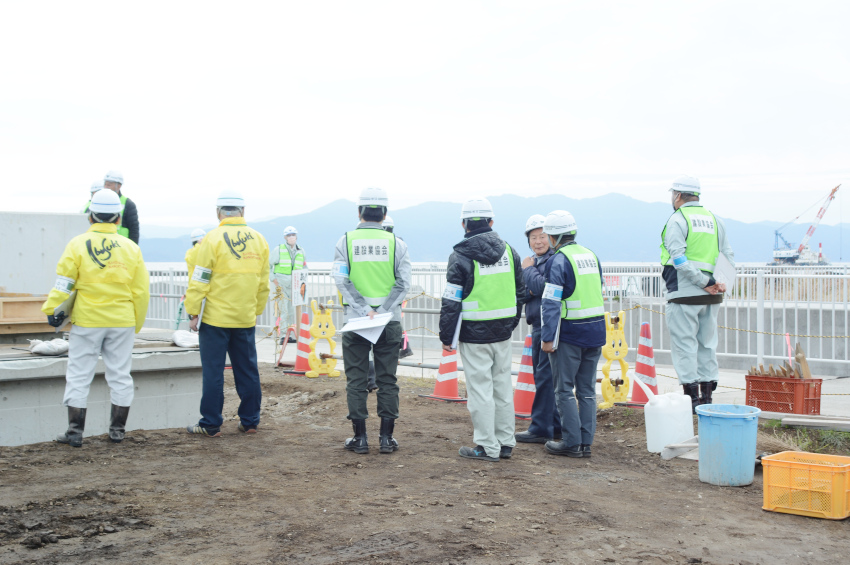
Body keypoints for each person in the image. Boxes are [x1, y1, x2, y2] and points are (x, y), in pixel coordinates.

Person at [41, 189, 150, 447]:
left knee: (79, 375)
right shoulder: (131, 248)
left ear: (90, 217)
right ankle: (117, 432)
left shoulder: (77, 244)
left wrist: (51, 309)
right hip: (122, 320)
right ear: (118, 219)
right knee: (120, 375)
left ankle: (75, 433)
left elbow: (64, 283)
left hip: (88, 320)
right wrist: (137, 322)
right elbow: (141, 291)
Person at [438, 198, 526, 462]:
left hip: (474, 334)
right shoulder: (510, 251)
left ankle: (487, 447)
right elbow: (520, 292)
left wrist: (446, 337)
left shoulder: (460, 256)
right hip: (502, 332)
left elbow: (451, 302)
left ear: (464, 224)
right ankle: (505, 442)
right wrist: (511, 323)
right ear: (491, 222)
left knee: (480, 392)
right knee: (502, 387)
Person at [184, 190, 270, 437]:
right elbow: (263, 283)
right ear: (243, 211)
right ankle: (250, 421)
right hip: (244, 318)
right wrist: (255, 311)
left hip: (215, 319)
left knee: (214, 373)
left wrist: (193, 312)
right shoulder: (259, 239)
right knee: (247, 370)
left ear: (218, 212)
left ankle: (211, 424)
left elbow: (199, 279)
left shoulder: (211, 239)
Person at [333, 187, 411, 454]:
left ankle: (360, 439)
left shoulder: (345, 241)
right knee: (387, 379)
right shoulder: (397, 244)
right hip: (389, 322)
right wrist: (382, 309)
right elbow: (403, 283)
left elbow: (341, 280)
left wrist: (365, 308)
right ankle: (387, 440)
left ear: (359, 212)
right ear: (385, 213)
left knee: (356, 380)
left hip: (356, 322)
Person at [661, 175, 734, 411]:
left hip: (684, 293)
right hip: (712, 295)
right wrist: (720, 283)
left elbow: (678, 258)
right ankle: (708, 400)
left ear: (678, 196)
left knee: (685, 346)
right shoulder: (715, 220)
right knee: (707, 345)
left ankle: (691, 401)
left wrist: (703, 281)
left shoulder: (678, 219)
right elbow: (728, 257)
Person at [540, 210, 605, 459]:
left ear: (554, 237)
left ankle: (570, 442)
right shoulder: (591, 256)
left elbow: (551, 303)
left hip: (570, 334)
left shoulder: (559, 260)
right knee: (587, 390)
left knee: (564, 389)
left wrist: (547, 338)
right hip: (595, 331)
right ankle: (585, 443)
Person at [514, 214, 562, 444]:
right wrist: (532, 285)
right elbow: (523, 293)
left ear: (551, 237)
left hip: (547, 324)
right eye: (533, 237)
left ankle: (541, 428)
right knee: (544, 377)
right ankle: (554, 425)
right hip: (537, 323)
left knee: (545, 377)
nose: (538, 241)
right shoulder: (536, 262)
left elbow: (543, 288)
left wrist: (528, 272)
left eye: (542, 236)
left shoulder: (552, 260)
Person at [270, 226, 306, 344]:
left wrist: (303, 282)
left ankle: (291, 335)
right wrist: (273, 279)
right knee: (284, 309)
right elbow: (268, 266)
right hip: (281, 283)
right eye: (289, 235)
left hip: (295, 284)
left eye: (293, 235)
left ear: (296, 236)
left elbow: (304, 267)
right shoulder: (279, 249)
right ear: (285, 237)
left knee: (291, 311)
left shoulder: (301, 250)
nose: (291, 237)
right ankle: (283, 336)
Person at [103, 170, 140, 244]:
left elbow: (134, 230)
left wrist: (133, 248)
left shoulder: (128, 204)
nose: (106, 187)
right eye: (105, 184)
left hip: (122, 247)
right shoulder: (100, 202)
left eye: (109, 185)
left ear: (118, 186)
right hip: (103, 245)